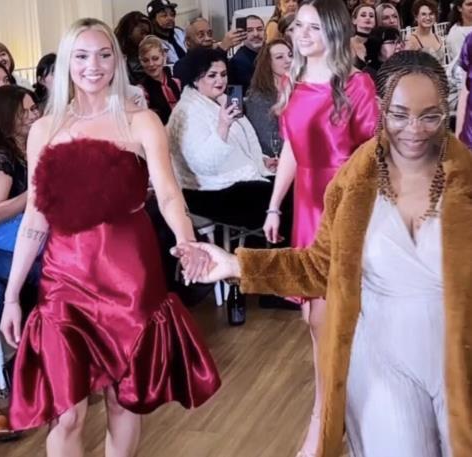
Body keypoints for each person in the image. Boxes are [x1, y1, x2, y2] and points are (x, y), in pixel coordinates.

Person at [175, 50, 472, 457]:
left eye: (430, 116)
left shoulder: (466, 184)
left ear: (446, 111)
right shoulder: (354, 183)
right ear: (380, 108)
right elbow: (318, 266)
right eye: (400, 115)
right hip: (383, 360)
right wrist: (234, 264)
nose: (414, 130)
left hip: (457, 356)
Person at [0, 17, 220, 456]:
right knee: (66, 412)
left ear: (116, 61)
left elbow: (169, 194)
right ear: (67, 63)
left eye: (103, 55)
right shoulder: (45, 129)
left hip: (129, 277)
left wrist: (187, 241)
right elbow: (36, 218)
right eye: (81, 56)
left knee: (123, 398)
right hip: (64, 278)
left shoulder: (141, 122)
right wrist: (11, 298)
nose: (93, 66)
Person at [261, 1, 378, 455]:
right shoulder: (291, 82)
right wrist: (274, 206)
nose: (303, 34)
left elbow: (373, 156)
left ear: (334, 31)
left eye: (314, 26)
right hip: (306, 208)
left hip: (345, 208)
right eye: (298, 26)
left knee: (332, 319)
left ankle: (327, 417)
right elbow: (292, 149)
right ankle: (331, 410)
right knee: (314, 318)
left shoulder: (356, 84)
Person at [167, 47, 287, 232]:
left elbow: (242, 141)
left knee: (290, 186)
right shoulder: (188, 111)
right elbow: (204, 165)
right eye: (212, 75)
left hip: (232, 180)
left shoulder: (224, 99)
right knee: (282, 199)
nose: (220, 80)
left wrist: (261, 159)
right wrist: (223, 126)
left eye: (223, 74)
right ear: (196, 80)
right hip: (206, 191)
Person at [0, 85, 40, 440]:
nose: (34, 115)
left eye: (35, 108)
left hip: (22, 240)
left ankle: (40, 363)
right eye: (26, 111)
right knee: (39, 273)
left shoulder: (30, 148)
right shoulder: (2, 156)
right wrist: (33, 195)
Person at [245, 39, 293, 157]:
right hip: (280, 158)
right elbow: (269, 142)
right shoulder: (259, 97)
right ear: (268, 63)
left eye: (290, 55)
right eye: (279, 57)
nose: (288, 60)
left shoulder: (301, 89)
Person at [173, 17, 247, 87]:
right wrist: (222, 49)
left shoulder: (219, 57)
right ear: (188, 42)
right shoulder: (181, 66)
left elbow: (232, 84)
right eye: (201, 35)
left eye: (209, 33)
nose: (208, 38)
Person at [138, 35, 180, 125]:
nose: (151, 64)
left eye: (155, 58)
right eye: (145, 60)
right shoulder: (141, 90)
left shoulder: (177, 81)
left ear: (164, 57)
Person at [228, 15, 266, 95]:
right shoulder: (237, 62)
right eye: (249, 30)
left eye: (259, 29)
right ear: (242, 34)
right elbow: (235, 96)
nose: (256, 34)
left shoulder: (272, 53)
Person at [114, 11, 152, 84]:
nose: (145, 37)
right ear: (129, 31)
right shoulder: (122, 57)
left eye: (147, 34)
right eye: (142, 33)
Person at [147, 0, 186, 65]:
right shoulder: (152, 43)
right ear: (153, 20)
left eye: (172, 14)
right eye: (164, 15)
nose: (170, 18)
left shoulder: (179, 32)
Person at [406, 0, 446, 65]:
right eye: (423, 14)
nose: (428, 18)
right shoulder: (411, 41)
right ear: (416, 17)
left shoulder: (438, 38)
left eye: (431, 14)